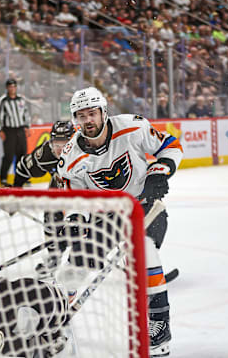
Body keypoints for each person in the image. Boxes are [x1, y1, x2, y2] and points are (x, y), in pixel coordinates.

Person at [57, 87, 182, 357]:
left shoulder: (131, 127)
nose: (87, 120)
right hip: (107, 217)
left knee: (143, 255)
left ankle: (159, 328)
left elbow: (170, 145)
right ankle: (54, 316)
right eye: (81, 115)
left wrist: (159, 173)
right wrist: (77, 220)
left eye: (92, 113)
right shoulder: (70, 156)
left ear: (103, 112)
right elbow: (72, 194)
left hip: (144, 208)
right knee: (76, 263)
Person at [13, 121, 75, 188]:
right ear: (51, 143)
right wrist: (16, 187)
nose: (60, 150)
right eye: (56, 145)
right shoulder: (44, 155)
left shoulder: (83, 151)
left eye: (64, 145)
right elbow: (22, 168)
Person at [0, 79, 30, 186]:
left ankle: (21, 178)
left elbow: (26, 113)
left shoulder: (21, 99)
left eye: (14, 86)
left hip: (20, 129)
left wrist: (27, 126)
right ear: (7, 88)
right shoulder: (3, 100)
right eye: (10, 86)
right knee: (9, 156)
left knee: (22, 155)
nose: (12, 88)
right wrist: (0, 129)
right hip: (9, 130)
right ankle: (3, 179)